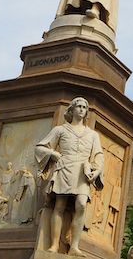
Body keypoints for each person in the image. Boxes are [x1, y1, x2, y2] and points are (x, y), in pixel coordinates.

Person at [34, 97, 104, 257]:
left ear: (86, 112)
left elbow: (99, 155)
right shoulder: (60, 130)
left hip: (82, 171)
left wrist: (98, 170)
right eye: (78, 106)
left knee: (81, 204)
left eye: (84, 107)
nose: (81, 109)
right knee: (60, 204)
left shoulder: (93, 135)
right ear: (71, 110)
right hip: (64, 167)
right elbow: (40, 148)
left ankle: (75, 246)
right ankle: (53, 245)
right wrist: (53, 153)